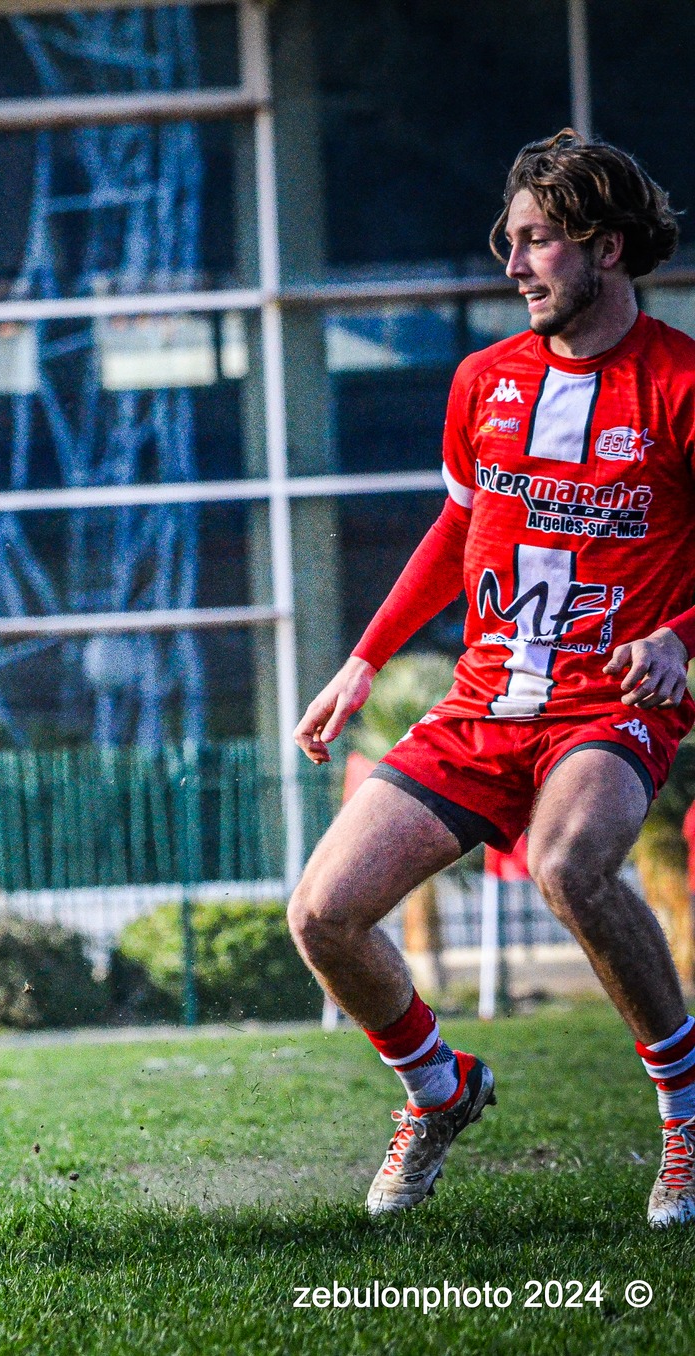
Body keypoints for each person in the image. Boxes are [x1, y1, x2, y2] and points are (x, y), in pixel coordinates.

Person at [287, 130, 695, 1225]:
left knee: (568, 864)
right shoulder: (481, 382)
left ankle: (686, 1124)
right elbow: (453, 530)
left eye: (537, 243)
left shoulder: (682, 383)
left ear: (606, 248)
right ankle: (436, 1088)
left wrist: (682, 637)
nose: (513, 266)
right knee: (320, 913)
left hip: (610, 707)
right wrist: (363, 660)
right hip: (481, 704)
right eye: (508, 243)